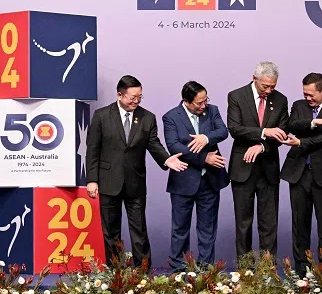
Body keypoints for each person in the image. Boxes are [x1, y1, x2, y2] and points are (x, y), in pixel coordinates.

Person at [85, 75, 187, 267]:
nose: (136, 101)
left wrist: (166, 159)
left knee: (139, 230)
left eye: (140, 97)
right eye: (132, 97)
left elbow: (153, 144)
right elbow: (92, 150)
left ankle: (142, 273)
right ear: (119, 95)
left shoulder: (147, 117)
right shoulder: (101, 115)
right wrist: (92, 180)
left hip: (135, 182)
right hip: (108, 181)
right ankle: (116, 273)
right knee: (111, 232)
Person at [280, 73, 322, 270]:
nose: (307, 98)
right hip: (299, 173)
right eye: (305, 94)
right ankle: (302, 270)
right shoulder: (299, 106)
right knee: (300, 223)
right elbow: (291, 125)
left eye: (311, 95)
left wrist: (302, 141)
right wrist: (315, 122)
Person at [161, 81, 230, 270]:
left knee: (207, 230)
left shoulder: (212, 110)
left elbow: (223, 131)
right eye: (199, 103)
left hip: (210, 181)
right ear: (186, 101)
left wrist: (206, 138)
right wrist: (204, 158)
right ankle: (178, 268)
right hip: (184, 180)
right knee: (180, 229)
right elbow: (174, 146)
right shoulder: (171, 117)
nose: (203, 105)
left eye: (205, 100)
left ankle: (207, 270)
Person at [226, 61, 289, 259]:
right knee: (243, 224)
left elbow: (282, 133)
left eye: (273, 86)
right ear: (255, 79)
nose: (269, 90)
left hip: (268, 169)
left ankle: (268, 273)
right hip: (243, 169)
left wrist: (262, 145)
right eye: (265, 86)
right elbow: (235, 129)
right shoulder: (236, 96)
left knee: (269, 225)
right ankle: (245, 272)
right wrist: (264, 132)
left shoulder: (280, 100)